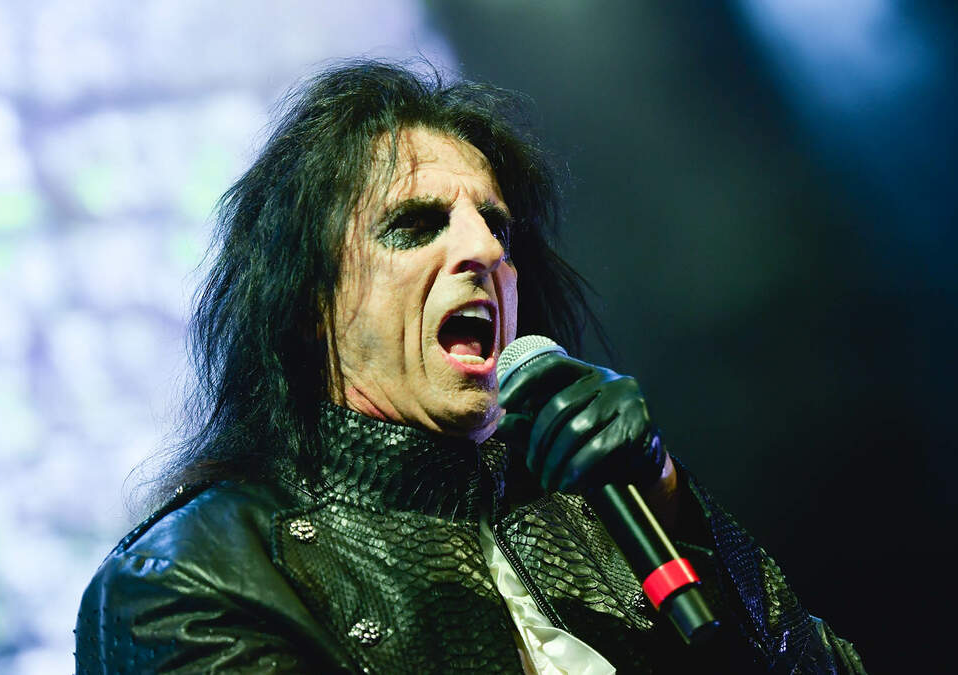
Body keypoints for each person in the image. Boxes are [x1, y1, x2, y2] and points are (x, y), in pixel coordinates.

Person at [75, 60, 866, 674]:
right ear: (309, 300)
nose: (484, 249)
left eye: (496, 226)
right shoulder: (189, 581)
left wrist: (665, 495)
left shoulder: (596, 508)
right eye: (416, 224)